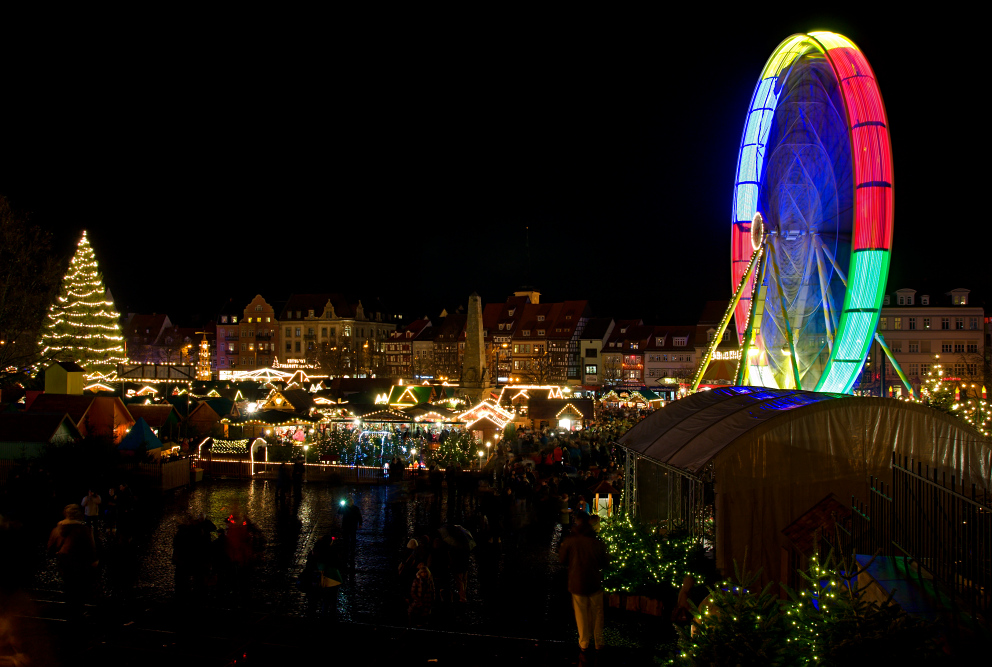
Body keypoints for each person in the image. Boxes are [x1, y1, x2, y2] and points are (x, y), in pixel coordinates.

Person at [558, 511, 609, 661]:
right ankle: (599, 642)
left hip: (577, 581)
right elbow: (605, 562)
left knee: (581, 614)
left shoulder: (570, 540)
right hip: (594, 581)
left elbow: (562, 559)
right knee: (598, 613)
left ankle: (584, 643)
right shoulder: (596, 542)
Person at [47, 504, 98, 615]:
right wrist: (93, 561)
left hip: (63, 562)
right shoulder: (84, 530)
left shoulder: (57, 529)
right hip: (79, 562)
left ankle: (69, 608)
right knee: (79, 587)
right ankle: (77, 610)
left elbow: (50, 548)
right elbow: (90, 547)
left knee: (68, 585)